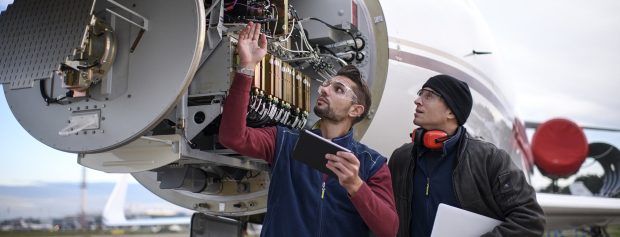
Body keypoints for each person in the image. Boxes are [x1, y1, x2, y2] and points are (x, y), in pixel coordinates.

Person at [219, 22, 398, 237]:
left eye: (338, 89)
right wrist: (246, 68)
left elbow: (389, 229)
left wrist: (355, 185)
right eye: (327, 84)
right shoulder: (285, 141)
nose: (324, 89)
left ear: (355, 110)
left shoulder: (372, 164)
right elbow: (233, 137)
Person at [388, 75, 546, 237]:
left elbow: (530, 219)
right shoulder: (401, 157)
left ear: (451, 111)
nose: (417, 100)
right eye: (421, 93)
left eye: (428, 95)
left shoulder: (490, 159)